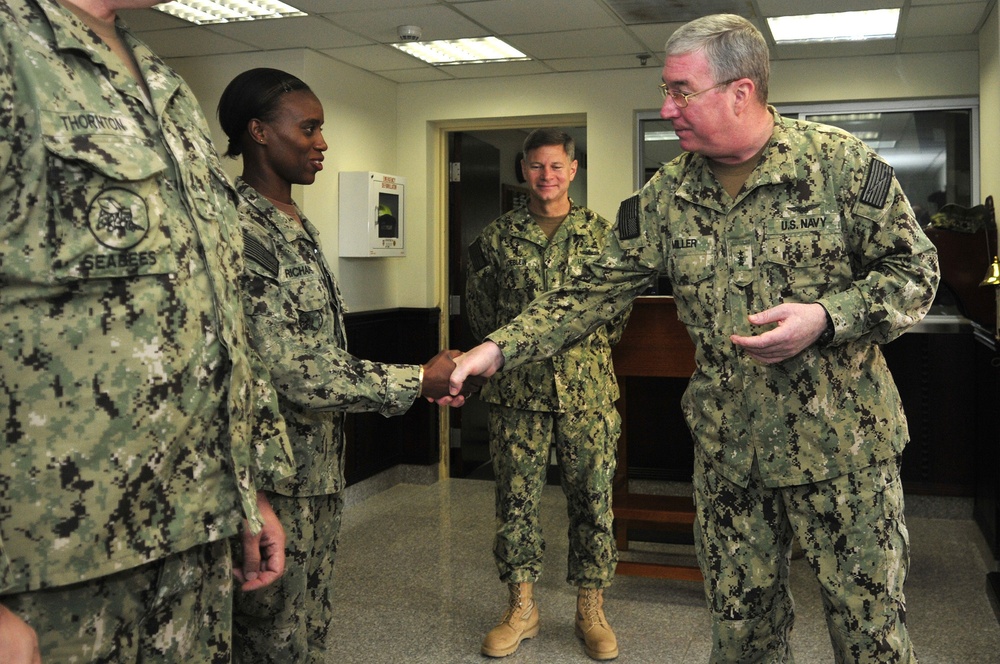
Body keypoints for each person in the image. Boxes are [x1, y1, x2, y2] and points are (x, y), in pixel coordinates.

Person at [446, 14, 939, 664]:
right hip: (730, 462)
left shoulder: (837, 164)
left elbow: (917, 272)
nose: (665, 106)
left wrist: (826, 316)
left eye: (681, 90)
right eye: (665, 89)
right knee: (743, 640)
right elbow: (590, 288)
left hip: (842, 453)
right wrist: (495, 348)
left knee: (870, 640)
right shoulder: (669, 193)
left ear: (739, 91)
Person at [0, 1, 299, 662]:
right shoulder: (14, 49)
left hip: (189, 539)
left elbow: (212, 314)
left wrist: (247, 492)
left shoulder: (162, 81)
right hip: (50, 569)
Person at [216, 67, 460, 664]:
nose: (322, 142)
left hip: (317, 471)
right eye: (308, 127)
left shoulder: (296, 224)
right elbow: (295, 369)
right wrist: (415, 379)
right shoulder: (239, 227)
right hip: (270, 481)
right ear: (258, 132)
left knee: (310, 618)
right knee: (270, 634)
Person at [465, 128, 630, 661]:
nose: (546, 176)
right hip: (517, 395)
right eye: (536, 167)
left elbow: (617, 314)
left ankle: (591, 609)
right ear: (523, 170)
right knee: (515, 505)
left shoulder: (602, 236)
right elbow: (482, 314)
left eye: (556, 166)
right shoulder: (496, 238)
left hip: (587, 394)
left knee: (593, 503)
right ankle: (522, 609)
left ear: (573, 170)